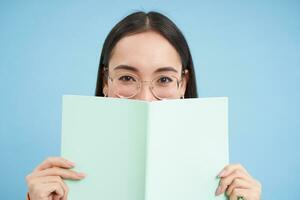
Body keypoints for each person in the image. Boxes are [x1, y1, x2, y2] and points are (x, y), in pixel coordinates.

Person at [25, 11, 262, 200]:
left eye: (164, 79)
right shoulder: (63, 188)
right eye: (127, 78)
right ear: (105, 82)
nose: (145, 99)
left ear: (183, 84)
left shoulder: (218, 182)